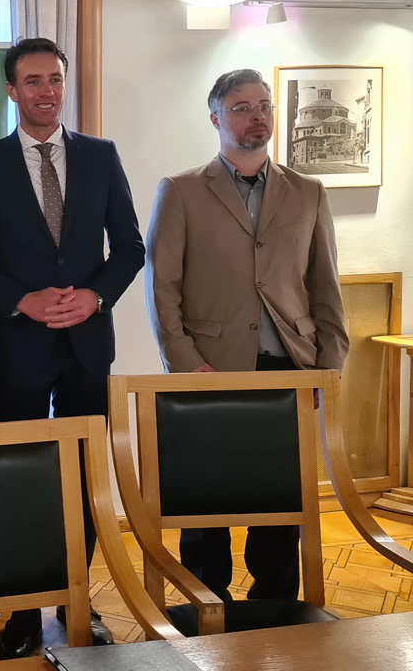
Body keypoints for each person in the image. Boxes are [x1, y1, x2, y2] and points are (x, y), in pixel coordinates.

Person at [0, 37, 143, 659]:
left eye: (56, 79)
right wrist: (20, 301)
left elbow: (130, 248)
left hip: (88, 344)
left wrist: (96, 296)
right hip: (20, 346)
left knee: (86, 477)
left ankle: (76, 599)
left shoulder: (100, 155)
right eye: (33, 81)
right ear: (12, 90)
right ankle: (22, 608)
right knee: (25, 478)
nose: (47, 91)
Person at [144, 68, 349, 602]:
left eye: (264, 105)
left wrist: (328, 370)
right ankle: (206, 606)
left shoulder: (308, 192)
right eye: (241, 107)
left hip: (290, 370)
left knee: (281, 501)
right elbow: (162, 289)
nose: (257, 116)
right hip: (210, 369)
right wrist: (186, 364)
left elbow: (325, 287)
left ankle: (275, 608)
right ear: (215, 119)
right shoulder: (181, 190)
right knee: (205, 506)